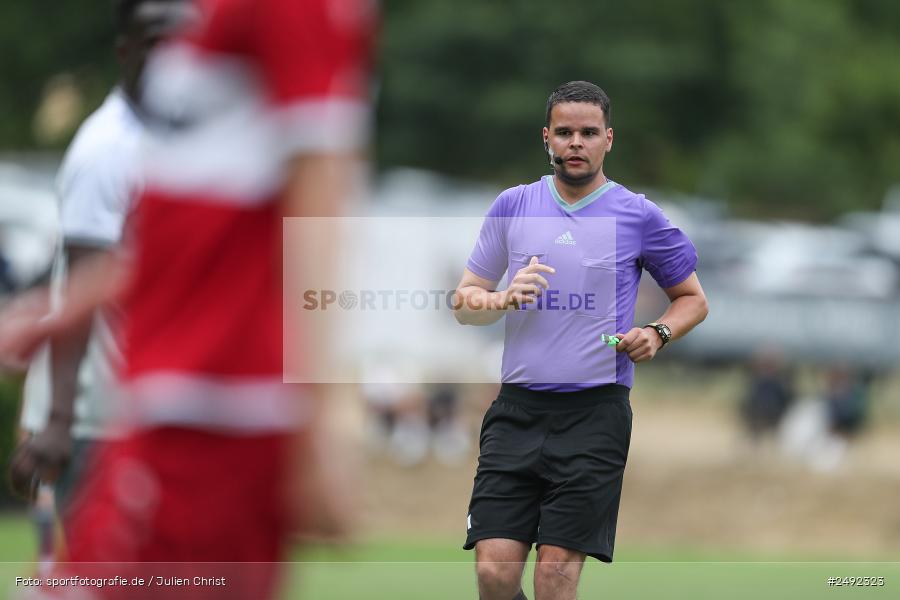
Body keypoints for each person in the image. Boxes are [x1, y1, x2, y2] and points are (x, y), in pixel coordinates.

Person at [0, 0, 374, 597]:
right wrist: (71, 307)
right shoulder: (208, 30)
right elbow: (205, 225)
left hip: (210, 404)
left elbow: (319, 194)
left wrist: (320, 416)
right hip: (174, 394)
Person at [454, 81, 709, 600]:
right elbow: (463, 303)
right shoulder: (513, 204)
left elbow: (693, 300)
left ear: (608, 139)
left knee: (554, 578)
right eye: (565, 132)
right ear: (546, 137)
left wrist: (657, 333)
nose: (576, 142)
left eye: (588, 133)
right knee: (494, 575)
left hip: (595, 417)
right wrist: (502, 299)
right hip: (516, 412)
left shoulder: (637, 214)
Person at [9, 0, 192, 541]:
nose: (172, 56)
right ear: (125, 51)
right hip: (95, 419)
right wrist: (59, 423)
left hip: (148, 408)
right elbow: (80, 291)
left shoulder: (182, 137)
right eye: (155, 41)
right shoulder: (108, 150)